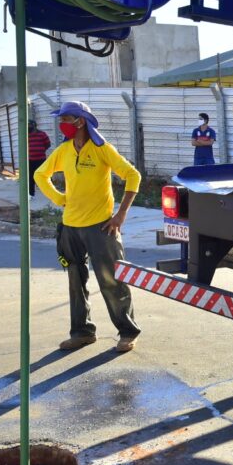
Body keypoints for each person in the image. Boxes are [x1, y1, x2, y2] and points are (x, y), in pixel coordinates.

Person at [33, 101, 143, 353]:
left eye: (66, 119)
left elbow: (132, 175)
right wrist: (59, 198)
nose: (62, 124)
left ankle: (128, 332)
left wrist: (121, 214)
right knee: (75, 281)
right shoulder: (64, 150)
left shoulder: (101, 149)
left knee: (111, 281)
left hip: (101, 227)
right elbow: (40, 174)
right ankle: (82, 333)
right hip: (70, 226)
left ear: (80, 121)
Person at [27, 119, 51, 197]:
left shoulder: (42, 134)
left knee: (43, 175)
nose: (28, 127)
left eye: (29, 125)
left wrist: (41, 150)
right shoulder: (26, 135)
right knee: (31, 177)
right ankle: (31, 194)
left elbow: (48, 144)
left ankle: (48, 192)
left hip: (41, 159)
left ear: (34, 125)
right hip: (30, 160)